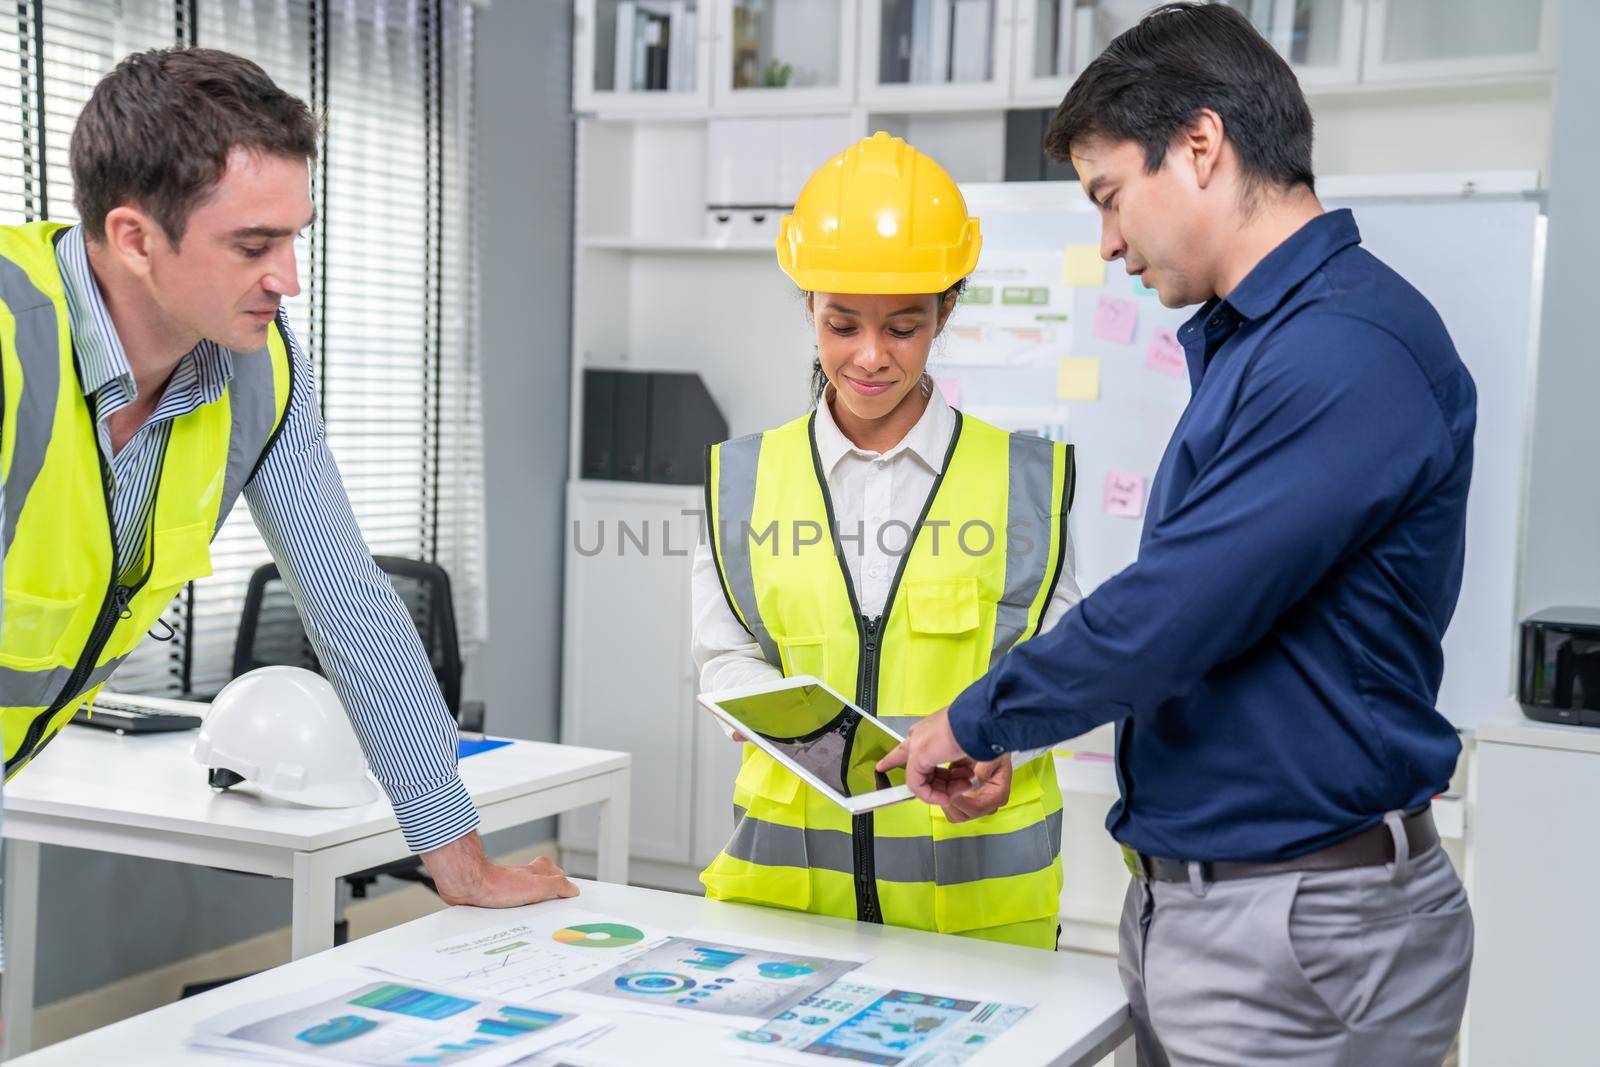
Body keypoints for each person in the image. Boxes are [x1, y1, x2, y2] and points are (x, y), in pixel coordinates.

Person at [878, 5, 1475, 1063]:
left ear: (1199, 147)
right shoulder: (1263, 344)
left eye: (1109, 196)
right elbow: (1230, 648)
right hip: (1223, 907)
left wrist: (978, 718)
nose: (1106, 242)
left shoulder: (1342, 352)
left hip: (1299, 928)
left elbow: (1177, 611)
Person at [0, 47, 577, 973]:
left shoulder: (256, 369)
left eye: (294, 238)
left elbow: (348, 599)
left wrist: (457, 860)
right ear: (137, 237)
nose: (289, 279)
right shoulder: (8, 341)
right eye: (253, 245)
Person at [693, 132, 1080, 950]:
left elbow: (1065, 666)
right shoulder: (741, 478)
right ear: (808, 307)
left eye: (902, 327)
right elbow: (721, 651)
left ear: (946, 310)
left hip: (974, 924)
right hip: (787, 908)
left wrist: (1001, 740)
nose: (869, 358)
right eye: (841, 325)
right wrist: (764, 706)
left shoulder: (1027, 483)